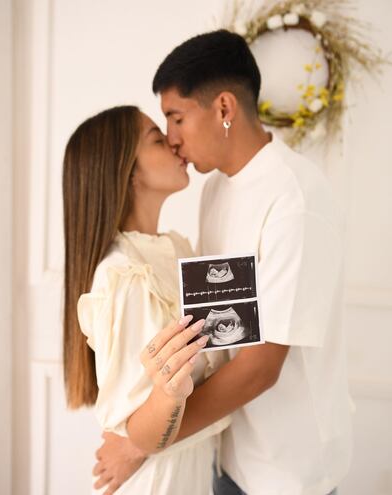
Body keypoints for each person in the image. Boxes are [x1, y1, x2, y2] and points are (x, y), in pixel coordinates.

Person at [94, 30, 353, 495]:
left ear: (224, 109)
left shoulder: (295, 199)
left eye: (176, 118)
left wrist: (141, 442)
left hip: (288, 473)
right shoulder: (216, 189)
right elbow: (225, 328)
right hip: (223, 451)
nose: (172, 139)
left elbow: (260, 365)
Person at [62, 105, 230, 495]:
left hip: (196, 470)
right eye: (157, 138)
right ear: (128, 172)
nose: (174, 142)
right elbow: (136, 428)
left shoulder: (176, 248)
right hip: (160, 483)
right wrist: (169, 394)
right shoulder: (124, 274)